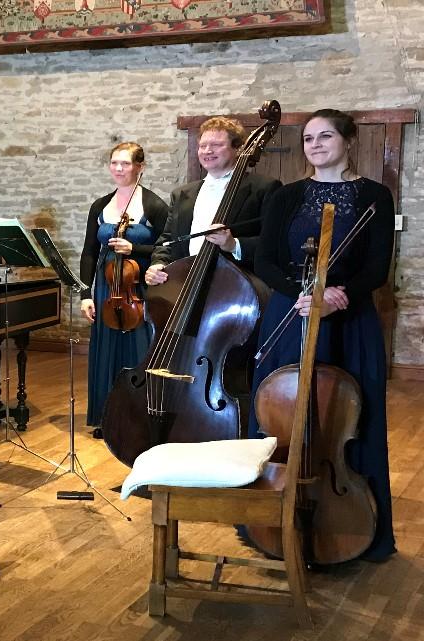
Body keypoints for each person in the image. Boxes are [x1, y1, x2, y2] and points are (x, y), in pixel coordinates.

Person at [250, 109, 396, 561]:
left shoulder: (375, 196)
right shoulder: (287, 196)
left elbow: (377, 267)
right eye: (308, 138)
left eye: (325, 135)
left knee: (350, 421)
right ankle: (273, 522)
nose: (315, 144)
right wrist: (306, 292)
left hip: (348, 318)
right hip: (290, 311)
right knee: (280, 418)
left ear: (348, 140)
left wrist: (335, 294)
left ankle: (353, 525)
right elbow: (266, 261)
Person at [79, 142, 168, 438]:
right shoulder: (100, 206)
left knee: (139, 349)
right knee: (105, 350)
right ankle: (107, 417)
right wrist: (85, 293)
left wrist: (136, 248)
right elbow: (89, 252)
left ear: (140, 167)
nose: (118, 169)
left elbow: (169, 246)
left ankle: (140, 417)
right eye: (114, 163)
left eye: (125, 164)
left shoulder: (153, 205)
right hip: (106, 286)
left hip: (138, 286)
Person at [145, 116, 281, 286]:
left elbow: (275, 244)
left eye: (216, 145)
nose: (207, 151)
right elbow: (167, 240)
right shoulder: (181, 194)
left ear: (237, 148)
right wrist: (158, 264)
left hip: (236, 289)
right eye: (202, 146)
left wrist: (234, 245)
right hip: (184, 285)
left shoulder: (264, 188)